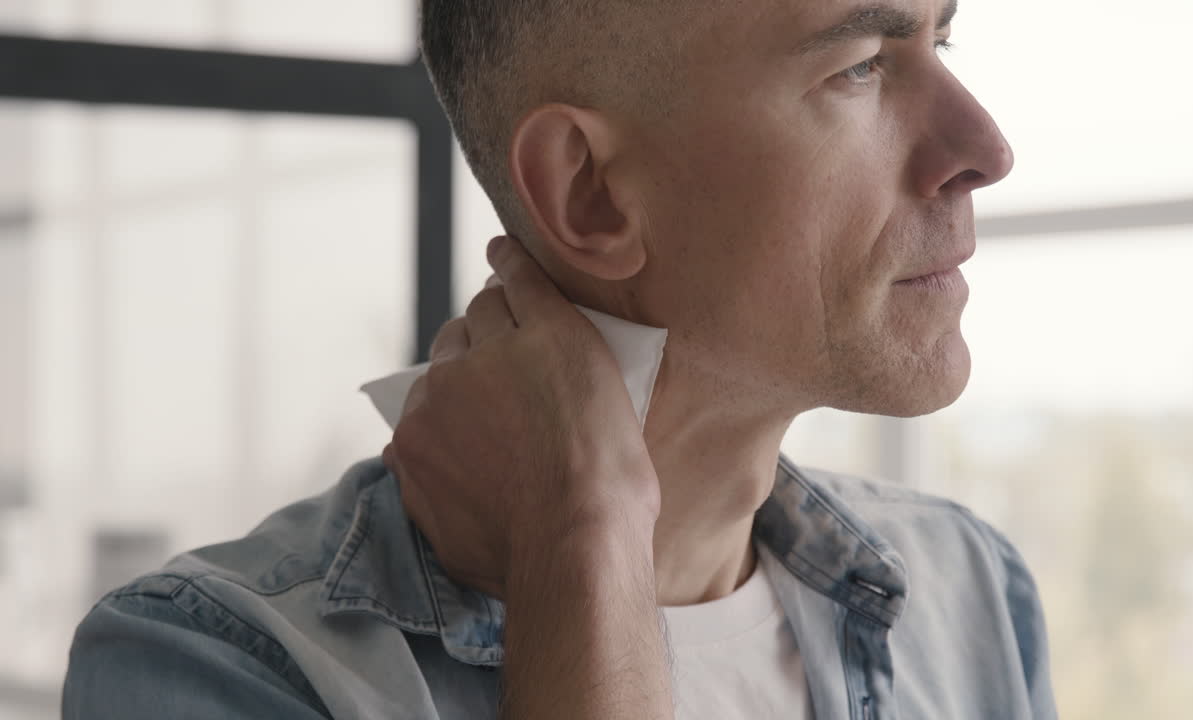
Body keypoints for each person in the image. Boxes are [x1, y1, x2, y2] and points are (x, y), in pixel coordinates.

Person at [63, 0, 1057, 718]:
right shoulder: (213, 667)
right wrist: (582, 538)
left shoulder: (966, 590)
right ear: (590, 193)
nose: (984, 147)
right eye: (860, 66)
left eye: (940, 39)